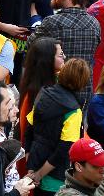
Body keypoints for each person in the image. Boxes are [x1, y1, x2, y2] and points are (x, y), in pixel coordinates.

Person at [25, 58, 92, 190]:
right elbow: (65, 148)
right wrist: (39, 174)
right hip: (56, 179)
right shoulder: (73, 110)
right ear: (82, 82)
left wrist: (31, 166)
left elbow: (29, 130)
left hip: (35, 167)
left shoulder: (42, 95)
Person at [30, 0, 100, 63]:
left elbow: (30, 46)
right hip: (85, 77)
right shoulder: (94, 24)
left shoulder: (52, 22)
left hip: (58, 77)